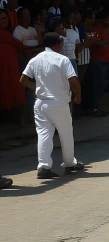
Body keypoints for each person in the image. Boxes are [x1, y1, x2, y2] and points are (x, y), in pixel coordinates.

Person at [20, 32, 84, 179]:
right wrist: (78, 95)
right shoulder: (63, 60)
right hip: (59, 102)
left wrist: (36, 87)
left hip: (41, 103)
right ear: (58, 43)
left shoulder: (36, 59)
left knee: (44, 134)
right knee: (66, 133)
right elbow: (73, 80)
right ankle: (69, 163)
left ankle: (43, 167)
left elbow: (23, 80)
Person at [0, 10, 26, 119]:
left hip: (11, 66)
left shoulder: (7, 33)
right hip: (5, 67)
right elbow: (21, 46)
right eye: (1, 18)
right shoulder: (3, 34)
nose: (4, 20)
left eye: (5, 18)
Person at [87, 10, 109, 117]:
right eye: (107, 19)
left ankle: (96, 107)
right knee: (96, 85)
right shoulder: (95, 30)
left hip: (104, 61)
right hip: (97, 61)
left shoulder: (104, 30)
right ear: (101, 20)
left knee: (101, 84)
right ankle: (93, 108)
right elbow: (96, 42)